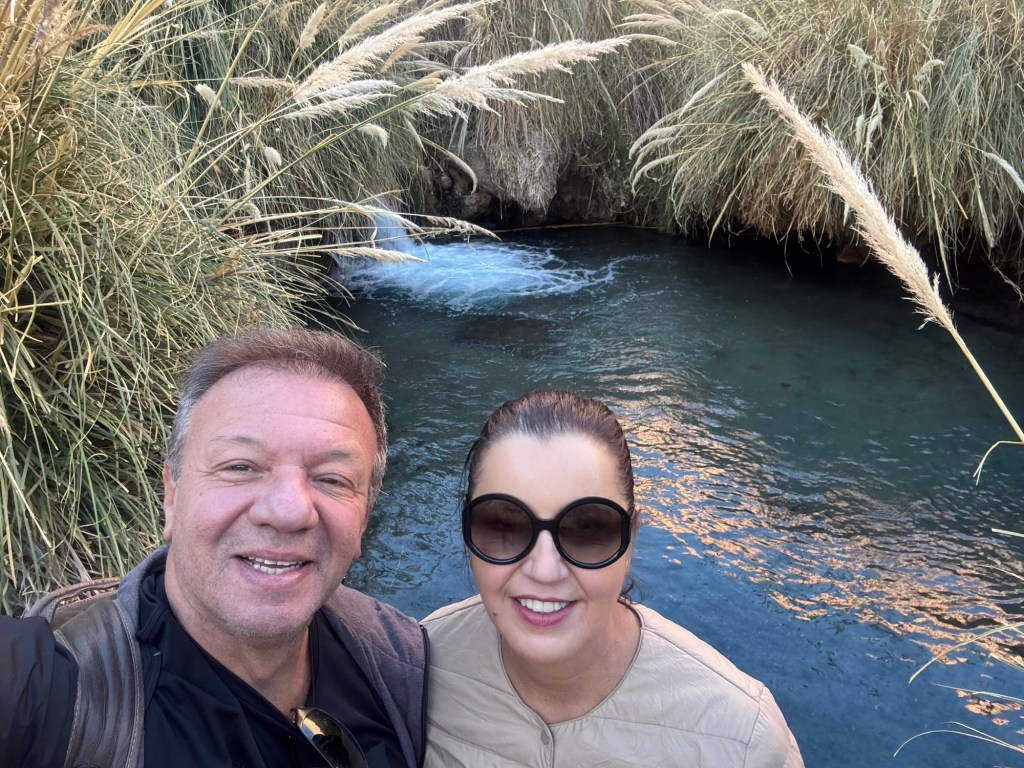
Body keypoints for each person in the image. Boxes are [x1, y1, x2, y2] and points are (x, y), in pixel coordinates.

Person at [0, 328, 426, 768]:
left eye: (332, 479)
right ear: (172, 495)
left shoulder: (406, 664)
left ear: (364, 516)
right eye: (240, 467)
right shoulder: (45, 687)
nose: (289, 511)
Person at [423, 388, 804, 767]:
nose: (544, 570)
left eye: (588, 528)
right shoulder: (415, 670)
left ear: (632, 536)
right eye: (505, 525)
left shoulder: (742, 741)